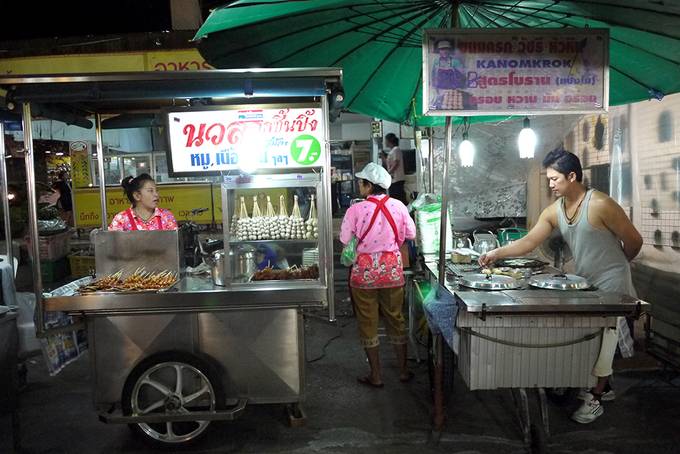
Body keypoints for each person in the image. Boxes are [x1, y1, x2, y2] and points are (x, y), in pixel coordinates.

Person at [478, 149, 642, 424]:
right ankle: (605, 385)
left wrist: (619, 264)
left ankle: (596, 398)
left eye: (554, 179)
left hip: (613, 281)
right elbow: (529, 242)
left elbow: (634, 240)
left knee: (606, 338)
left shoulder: (601, 204)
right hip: (587, 281)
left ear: (572, 176)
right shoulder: (556, 210)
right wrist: (498, 253)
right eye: (549, 179)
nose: (550, 184)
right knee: (595, 336)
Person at [340, 162, 417, 388]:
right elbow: (410, 233)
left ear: (368, 185)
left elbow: (345, 240)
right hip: (392, 271)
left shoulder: (355, 209)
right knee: (395, 318)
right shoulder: (399, 206)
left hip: (364, 274)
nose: (359, 185)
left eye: (361, 182)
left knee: (368, 321)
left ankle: (376, 375)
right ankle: (403, 371)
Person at [109, 174, 178, 231]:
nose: (156, 194)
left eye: (156, 190)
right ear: (137, 196)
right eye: (150, 191)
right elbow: (114, 245)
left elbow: (174, 244)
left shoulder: (167, 216)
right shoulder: (121, 219)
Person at [384, 133, 407, 205]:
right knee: (394, 198)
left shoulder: (396, 150)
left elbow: (396, 163)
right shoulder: (392, 151)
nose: (385, 142)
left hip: (397, 179)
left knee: (398, 199)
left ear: (389, 141)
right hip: (393, 180)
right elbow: (390, 164)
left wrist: (388, 172)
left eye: (385, 140)